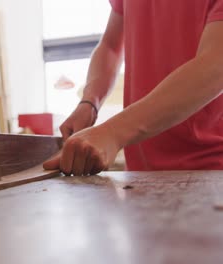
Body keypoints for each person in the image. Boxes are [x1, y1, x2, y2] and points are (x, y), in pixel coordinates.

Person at [43, 0, 223, 175]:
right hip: (140, 173)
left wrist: (112, 132)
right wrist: (89, 102)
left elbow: (216, 63)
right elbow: (111, 46)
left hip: (211, 172)